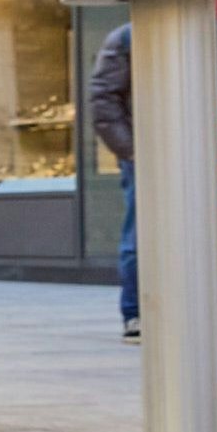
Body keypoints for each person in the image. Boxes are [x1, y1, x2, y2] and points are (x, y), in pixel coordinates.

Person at [88, 22, 139, 338]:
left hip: (207, 151)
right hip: (144, 153)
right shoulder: (125, 36)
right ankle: (134, 312)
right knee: (139, 233)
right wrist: (131, 151)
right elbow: (104, 100)